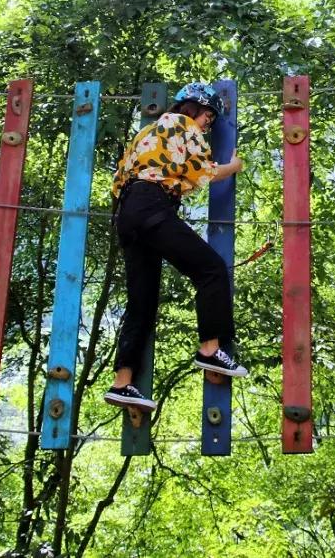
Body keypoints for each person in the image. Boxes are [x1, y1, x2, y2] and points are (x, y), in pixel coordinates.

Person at [104, 82, 248, 411]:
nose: (208, 122)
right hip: (151, 207)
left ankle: (122, 383)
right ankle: (210, 350)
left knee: (141, 303)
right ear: (191, 108)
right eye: (208, 114)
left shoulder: (148, 135)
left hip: (129, 213)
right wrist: (234, 167)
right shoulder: (182, 124)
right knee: (210, 269)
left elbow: (142, 180)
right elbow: (206, 172)